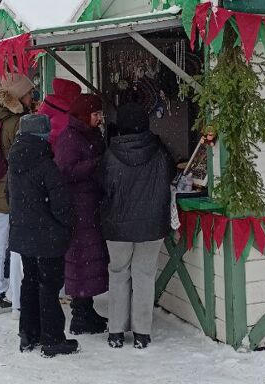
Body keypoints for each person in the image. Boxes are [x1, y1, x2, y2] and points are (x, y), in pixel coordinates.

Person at [100, 102, 174, 350]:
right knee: (144, 276)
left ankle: (116, 332)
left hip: (117, 226)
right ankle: (142, 333)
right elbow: (169, 177)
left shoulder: (110, 154)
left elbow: (104, 188)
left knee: (118, 274)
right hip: (151, 226)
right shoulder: (160, 151)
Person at [8, 114, 79, 357]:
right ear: (43, 135)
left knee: (29, 281)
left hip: (24, 233)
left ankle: (28, 333)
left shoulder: (15, 161)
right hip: (47, 235)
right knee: (49, 286)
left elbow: (10, 197)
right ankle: (52, 338)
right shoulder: (46, 164)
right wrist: (68, 224)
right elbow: (60, 205)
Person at [54, 94, 109, 335]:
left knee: (90, 259)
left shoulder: (90, 134)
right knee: (80, 260)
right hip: (78, 208)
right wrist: (96, 163)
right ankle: (80, 312)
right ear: (84, 115)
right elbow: (65, 171)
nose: (99, 118)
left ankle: (86, 307)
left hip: (90, 205)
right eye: (96, 114)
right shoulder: (69, 138)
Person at [0, 72, 33, 314]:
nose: (32, 97)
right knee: (18, 246)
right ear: (19, 96)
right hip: (13, 189)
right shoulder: (18, 121)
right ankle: (17, 298)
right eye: (29, 93)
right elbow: (21, 160)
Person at [37, 78, 81, 146]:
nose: (77, 99)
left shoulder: (48, 106)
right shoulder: (64, 112)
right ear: (69, 95)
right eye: (76, 96)